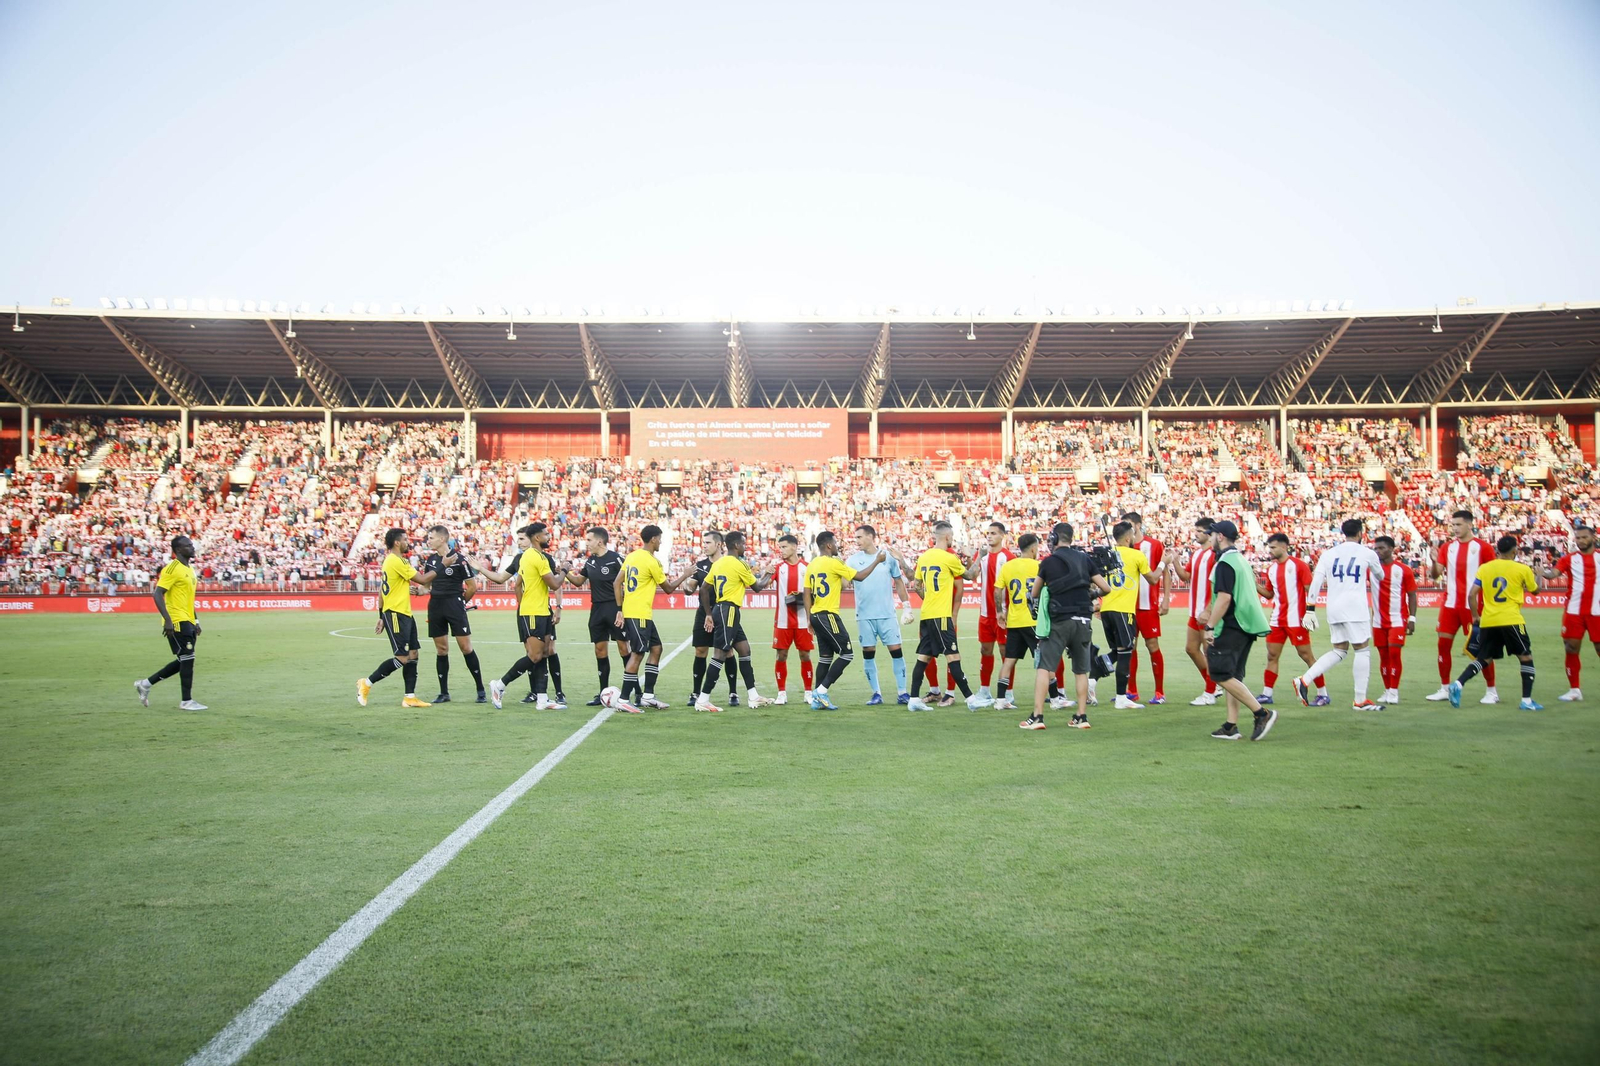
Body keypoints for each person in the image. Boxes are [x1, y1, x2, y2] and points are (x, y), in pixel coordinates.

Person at [1021, 523, 1111, 730]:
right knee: (1081, 670)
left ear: (1053, 539)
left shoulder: (1049, 562)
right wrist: (1092, 595)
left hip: (1059, 621)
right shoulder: (1084, 559)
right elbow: (1105, 588)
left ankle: (1037, 717)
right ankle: (1081, 716)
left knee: (1045, 667)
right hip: (1083, 621)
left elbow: (1034, 593)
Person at [357, 528, 458, 709]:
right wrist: (443, 564)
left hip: (404, 613)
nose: (407, 542)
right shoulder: (396, 561)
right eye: (405, 539)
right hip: (395, 614)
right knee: (402, 658)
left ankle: (409, 697)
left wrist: (380, 615)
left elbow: (383, 589)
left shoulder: (394, 561)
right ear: (397, 542)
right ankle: (366, 682)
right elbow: (422, 578)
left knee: (413, 654)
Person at [1295, 518, 1384, 711]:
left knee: (1340, 650)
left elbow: (1316, 581)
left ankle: (1304, 679)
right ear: (1360, 533)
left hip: (1334, 606)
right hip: (1355, 607)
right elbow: (1380, 576)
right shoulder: (1367, 553)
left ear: (1343, 533)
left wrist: (1310, 608)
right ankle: (1360, 700)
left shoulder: (1329, 554)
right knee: (1362, 650)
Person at [1200, 521, 1276, 740]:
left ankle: (1261, 713)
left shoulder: (1225, 562)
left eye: (1212, 534)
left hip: (1233, 624)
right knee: (1233, 676)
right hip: (1246, 625)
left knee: (1220, 673)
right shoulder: (1240, 559)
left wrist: (1210, 626)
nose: (1210, 538)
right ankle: (1231, 726)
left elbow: (1224, 599)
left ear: (1220, 536)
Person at [1448, 535, 1542, 711]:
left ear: (1498, 550)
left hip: (1489, 620)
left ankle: (1458, 684)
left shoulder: (1485, 568)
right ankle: (1527, 701)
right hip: (1511, 620)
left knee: (1484, 658)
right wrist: (1539, 575)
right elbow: (1536, 591)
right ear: (1514, 551)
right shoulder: (1522, 569)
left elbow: (1471, 594)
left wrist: (1475, 615)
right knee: (1525, 657)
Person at [484, 522, 569, 711]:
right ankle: (499, 685)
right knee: (535, 655)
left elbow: (519, 584)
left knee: (544, 654)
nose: (549, 537)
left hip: (541, 611)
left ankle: (542, 699)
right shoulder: (534, 557)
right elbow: (555, 584)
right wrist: (565, 569)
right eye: (546, 534)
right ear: (537, 538)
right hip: (533, 612)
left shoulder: (534, 556)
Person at [907, 522, 989, 711]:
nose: (952, 539)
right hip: (941, 616)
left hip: (927, 615)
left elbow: (917, 585)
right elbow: (970, 575)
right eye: (951, 536)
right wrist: (980, 556)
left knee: (923, 657)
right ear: (946, 537)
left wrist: (929, 600)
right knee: (953, 657)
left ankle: (913, 699)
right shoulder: (947, 558)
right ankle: (971, 699)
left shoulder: (924, 557)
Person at [802, 531, 887, 708]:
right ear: (828, 545)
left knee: (825, 657)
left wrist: (810, 618)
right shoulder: (834, 563)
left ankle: (817, 701)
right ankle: (821, 691)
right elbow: (860, 577)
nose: (837, 545)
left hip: (816, 615)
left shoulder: (812, 564)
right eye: (835, 542)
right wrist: (877, 561)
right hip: (828, 615)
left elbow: (807, 593)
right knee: (847, 654)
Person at [612, 524, 693, 709]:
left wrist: (620, 608)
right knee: (638, 654)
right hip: (639, 614)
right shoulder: (652, 561)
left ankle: (648, 696)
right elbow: (669, 589)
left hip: (637, 613)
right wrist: (685, 575)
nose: (661, 542)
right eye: (660, 538)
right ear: (654, 539)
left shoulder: (632, 557)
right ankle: (623, 700)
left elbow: (617, 583)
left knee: (656, 648)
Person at [695, 530, 777, 712]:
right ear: (736, 545)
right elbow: (758, 587)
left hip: (723, 610)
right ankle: (703, 699)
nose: (745, 547)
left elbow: (703, 590)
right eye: (743, 544)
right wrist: (769, 573)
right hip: (728, 610)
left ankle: (753, 696)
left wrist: (709, 613)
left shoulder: (719, 563)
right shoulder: (741, 564)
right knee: (720, 654)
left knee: (744, 649)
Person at [1427, 510, 1499, 704]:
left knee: (1480, 650)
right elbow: (1435, 575)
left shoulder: (1483, 548)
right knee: (1443, 645)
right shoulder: (1447, 547)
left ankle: (1491, 691)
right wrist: (1434, 562)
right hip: (1450, 605)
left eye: (1458, 525)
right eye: (1453, 525)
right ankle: (1444, 688)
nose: (1455, 529)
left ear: (1469, 525)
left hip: (1474, 606)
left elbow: (1492, 575)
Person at [992, 533, 1065, 712]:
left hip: (1015, 621)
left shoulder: (1009, 567)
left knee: (1009, 661)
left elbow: (997, 590)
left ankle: (1000, 700)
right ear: (1033, 548)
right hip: (1034, 621)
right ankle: (1055, 698)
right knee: (1045, 661)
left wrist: (1000, 612)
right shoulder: (1040, 566)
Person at [134, 534, 206, 711]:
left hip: (187, 620)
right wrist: (167, 620)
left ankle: (145, 684)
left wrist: (195, 620)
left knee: (185, 659)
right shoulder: (172, 569)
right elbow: (157, 593)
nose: (192, 548)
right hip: (176, 620)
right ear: (178, 550)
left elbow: (188, 598)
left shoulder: (189, 569)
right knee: (187, 658)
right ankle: (186, 701)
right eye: (188, 545)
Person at [1257, 533, 1328, 707]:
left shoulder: (1299, 565)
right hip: (1277, 620)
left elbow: (1309, 590)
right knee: (1272, 655)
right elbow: (1269, 594)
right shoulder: (1271, 569)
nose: (1270, 551)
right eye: (1269, 547)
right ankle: (1267, 693)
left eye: (1273, 547)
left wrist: (1310, 613)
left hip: (1297, 620)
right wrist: (1254, 583)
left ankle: (1322, 694)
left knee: (1306, 655)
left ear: (1284, 547)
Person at [420, 524, 485, 704]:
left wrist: (460, 603)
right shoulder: (431, 560)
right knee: (441, 650)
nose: (428, 541)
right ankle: (444, 693)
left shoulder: (459, 559)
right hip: (435, 606)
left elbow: (472, 587)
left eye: (431, 538)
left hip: (454, 604)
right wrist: (419, 591)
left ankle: (480, 690)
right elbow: (426, 587)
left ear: (442, 539)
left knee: (466, 647)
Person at [848, 524, 912, 705]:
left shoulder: (888, 557)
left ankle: (902, 692)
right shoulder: (853, 560)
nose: (857, 541)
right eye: (856, 537)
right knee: (868, 653)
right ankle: (876, 693)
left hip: (887, 614)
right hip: (864, 615)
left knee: (896, 651)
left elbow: (898, 582)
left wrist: (906, 605)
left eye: (860, 537)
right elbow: (846, 582)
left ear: (870, 537)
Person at [564, 525, 628, 707]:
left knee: (624, 648)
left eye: (589, 540)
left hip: (615, 609)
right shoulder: (590, 561)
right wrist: (565, 571)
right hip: (597, 610)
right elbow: (578, 581)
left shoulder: (616, 559)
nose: (587, 543)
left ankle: (632, 691)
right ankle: (603, 693)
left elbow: (627, 583)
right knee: (600, 650)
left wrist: (622, 609)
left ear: (600, 541)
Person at [1543, 523, 1599, 702]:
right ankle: (1574, 690)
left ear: (1593, 538)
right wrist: (1543, 573)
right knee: (1571, 648)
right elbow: (1554, 574)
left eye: (1584, 537)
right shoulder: (1568, 559)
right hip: (1574, 611)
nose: (1581, 540)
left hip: (1597, 611)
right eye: (1578, 537)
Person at [684, 530, 740, 707]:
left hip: (725, 612)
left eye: (708, 543)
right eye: (703, 543)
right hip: (704, 613)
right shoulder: (700, 565)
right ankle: (695, 692)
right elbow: (689, 590)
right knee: (700, 651)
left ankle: (733, 693)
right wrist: (686, 576)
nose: (704, 546)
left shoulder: (730, 563)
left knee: (728, 651)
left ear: (719, 544)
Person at [1122, 512, 1172, 705]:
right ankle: (1131, 690)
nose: (1127, 528)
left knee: (1152, 646)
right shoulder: (1123, 546)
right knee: (1129, 647)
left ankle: (1160, 692)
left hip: (1147, 606)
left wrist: (1166, 599)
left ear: (1138, 524)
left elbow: (1165, 572)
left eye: (1129, 524)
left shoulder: (1154, 545)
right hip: (1127, 606)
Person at [1175, 517, 1221, 706]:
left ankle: (1210, 692)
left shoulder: (1215, 555)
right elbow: (1186, 576)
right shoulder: (1196, 554)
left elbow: (1219, 585)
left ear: (1210, 533)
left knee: (1209, 652)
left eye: (1199, 531)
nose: (1196, 534)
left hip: (1207, 613)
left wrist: (1210, 609)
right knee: (1191, 649)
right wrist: (1175, 561)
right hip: (1194, 612)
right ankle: (1213, 685)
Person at [1372, 535, 1419, 704]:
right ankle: (1387, 690)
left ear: (1392, 549)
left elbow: (1412, 595)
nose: (1378, 551)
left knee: (1394, 654)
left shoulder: (1403, 570)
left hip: (1398, 620)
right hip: (1378, 621)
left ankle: (1394, 691)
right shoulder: (1371, 569)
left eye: (1382, 548)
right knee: (1383, 657)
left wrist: (1412, 618)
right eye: (1376, 548)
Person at [770, 534, 815, 705]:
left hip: (804, 620)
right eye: (779, 547)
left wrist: (802, 598)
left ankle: (808, 692)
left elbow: (814, 592)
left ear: (795, 547)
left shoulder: (807, 567)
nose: (781, 550)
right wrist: (766, 573)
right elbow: (760, 584)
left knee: (805, 654)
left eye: (784, 547)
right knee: (781, 654)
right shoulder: (777, 568)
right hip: (782, 620)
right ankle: (781, 692)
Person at [972, 521, 1013, 701]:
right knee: (985, 650)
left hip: (1003, 614)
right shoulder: (982, 556)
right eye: (987, 533)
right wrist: (974, 558)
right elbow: (972, 575)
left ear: (1002, 536)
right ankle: (984, 690)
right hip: (985, 614)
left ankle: (1008, 692)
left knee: (1005, 652)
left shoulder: (1009, 558)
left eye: (993, 533)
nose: (989, 536)